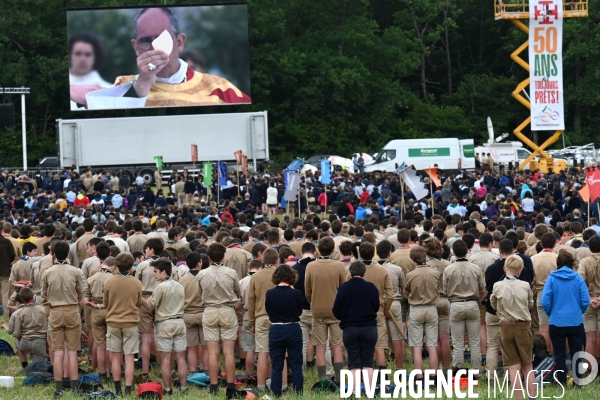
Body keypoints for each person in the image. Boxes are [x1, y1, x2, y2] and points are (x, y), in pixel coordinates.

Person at [73, 7, 251, 109]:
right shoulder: (121, 88)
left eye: (161, 38)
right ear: (135, 47)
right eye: (145, 41)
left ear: (179, 42)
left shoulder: (220, 89)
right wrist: (142, 84)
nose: (153, 48)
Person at [197, 243, 244, 398]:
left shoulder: (202, 274)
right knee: (229, 352)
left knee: (212, 352)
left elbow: (199, 294)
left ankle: (214, 385)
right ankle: (230, 386)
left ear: (208, 257)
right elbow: (238, 292)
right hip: (227, 311)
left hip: (209, 311)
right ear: (224, 255)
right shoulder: (231, 273)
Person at [541, 250, 590, 387]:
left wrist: (551, 312)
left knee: (559, 353)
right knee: (576, 352)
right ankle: (577, 381)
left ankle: (561, 380)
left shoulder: (551, 279)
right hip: (575, 321)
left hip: (557, 321)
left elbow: (545, 301)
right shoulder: (578, 278)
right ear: (571, 263)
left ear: (558, 263)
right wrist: (580, 311)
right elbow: (585, 300)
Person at [41, 241, 84, 398]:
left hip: (55, 312)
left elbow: (43, 294)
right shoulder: (76, 271)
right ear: (67, 254)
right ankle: (74, 387)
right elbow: (81, 293)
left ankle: (58, 389)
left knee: (57, 352)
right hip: (72, 310)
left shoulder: (47, 272)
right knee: (72, 352)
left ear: (53, 254)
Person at [490, 255, 535, 400]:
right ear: (520, 270)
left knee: (513, 367)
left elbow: (493, 304)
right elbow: (530, 304)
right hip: (522, 326)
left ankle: (518, 398)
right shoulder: (525, 285)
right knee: (527, 365)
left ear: (505, 268)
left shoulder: (497, 286)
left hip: (505, 327)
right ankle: (532, 397)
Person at [142, 257, 188, 395]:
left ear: (164, 272)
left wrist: (139, 297)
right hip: (180, 322)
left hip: (165, 323)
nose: (153, 274)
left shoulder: (160, 287)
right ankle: (184, 388)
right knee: (180, 358)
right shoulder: (179, 285)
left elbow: (150, 305)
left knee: (166, 358)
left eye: (155, 271)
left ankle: (168, 389)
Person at [332, 261, 379, 397]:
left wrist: (345, 317)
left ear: (350, 273)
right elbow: (376, 306)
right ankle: (369, 391)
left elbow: (336, 310)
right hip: (369, 328)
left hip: (350, 328)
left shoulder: (343, 288)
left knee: (354, 362)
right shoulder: (371, 287)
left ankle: (353, 391)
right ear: (364, 273)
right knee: (368, 362)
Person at [305, 237, 347, 384]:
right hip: (336, 310)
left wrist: (314, 302)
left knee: (320, 346)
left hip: (317, 310)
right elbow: (343, 289)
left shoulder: (311, 266)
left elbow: (308, 290)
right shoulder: (339, 266)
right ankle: (339, 379)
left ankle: (323, 379)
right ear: (333, 250)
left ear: (318, 250)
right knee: (337, 346)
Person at [443, 239, 485, 377]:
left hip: (456, 304)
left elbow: (445, 290)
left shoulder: (449, 269)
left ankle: (458, 370)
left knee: (457, 341)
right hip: (473, 304)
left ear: (453, 253)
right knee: (474, 340)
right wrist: (477, 299)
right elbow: (482, 289)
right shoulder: (475, 268)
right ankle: (476, 371)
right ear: (467, 251)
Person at [103, 253, 142, 396]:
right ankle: (128, 388)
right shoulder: (136, 282)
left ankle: (118, 388)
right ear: (132, 265)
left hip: (113, 321)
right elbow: (138, 303)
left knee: (115, 356)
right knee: (129, 357)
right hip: (131, 321)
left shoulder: (109, 282)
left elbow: (106, 303)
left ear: (116, 265)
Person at [265, 264, 304, 396]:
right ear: (291, 277)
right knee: (296, 364)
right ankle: (298, 392)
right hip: (293, 328)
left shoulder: (270, 293)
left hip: (276, 328)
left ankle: (276, 392)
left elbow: (269, 311)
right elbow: (299, 311)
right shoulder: (296, 293)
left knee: (277, 364)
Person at [405, 247, 440, 384]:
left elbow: (406, 291)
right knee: (432, 345)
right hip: (431, 308)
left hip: (416, 309)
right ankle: (434, 377)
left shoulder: (410, 274)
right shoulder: (435, 273)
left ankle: (419, 378)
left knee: (417, 346)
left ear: (413, 259)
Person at [247, 248, 278, 391]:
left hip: (260, 317)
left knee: (262, 353)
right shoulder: (280, 275)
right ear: (277, 261)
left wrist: (252, 322)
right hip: (278, 318)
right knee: (278, 353)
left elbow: (251, 301)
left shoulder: (255, 277)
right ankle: (277, 383)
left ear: (263, 260)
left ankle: (260, 385)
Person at [83, 256, 116, 383]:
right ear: (113, 267)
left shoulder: (91, 278)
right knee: (111, 344)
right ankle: (113, 371)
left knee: (100, 345)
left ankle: (102, 374)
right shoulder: (113, 279)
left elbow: (86, 301)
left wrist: (94, 305)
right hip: (111, 311)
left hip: (96, 312)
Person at [2, 287, 47, 364]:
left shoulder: (19, 313)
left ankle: (25, 365)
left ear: (22, 299)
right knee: (39, 366)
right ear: (33, 295)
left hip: (25, 342)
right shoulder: (43, 310)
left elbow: (17, 333)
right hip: (40, 342)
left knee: (17, 342)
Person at [68, 32, 112, 110]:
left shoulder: (108, 89)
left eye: (87, 54)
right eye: (78, 53)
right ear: (69, 55)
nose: (83, 59)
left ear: (95, 57)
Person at [0, 232, 16, 318]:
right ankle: (6, 315)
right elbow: (13, 255)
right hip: (5, 271)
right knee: (5, 294)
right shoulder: (7, 242)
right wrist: (7, 261)